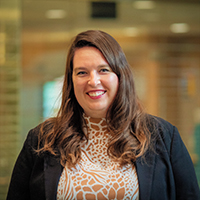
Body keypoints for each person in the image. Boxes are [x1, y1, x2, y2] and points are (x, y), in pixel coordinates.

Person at [6, 30, 200, 200]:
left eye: (103, 70)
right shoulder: (41, 140)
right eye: (82, 72)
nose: (93, 81)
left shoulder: (163, 136)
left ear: (120, 76)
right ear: (71, 82)